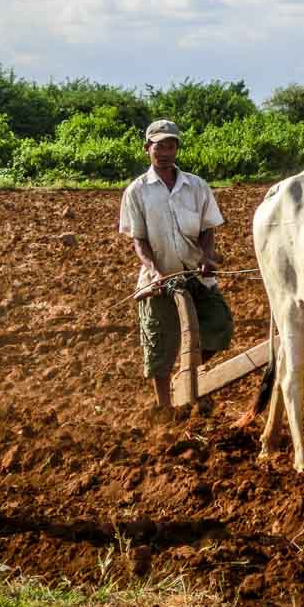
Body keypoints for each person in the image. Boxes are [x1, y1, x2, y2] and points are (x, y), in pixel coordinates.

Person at [118, 119, 234, 414]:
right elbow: (139, 239)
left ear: (176, 149)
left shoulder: (196, 185)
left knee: (219, 324)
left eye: (171, 146)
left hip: (196, 273)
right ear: (147, 149)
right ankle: (165, 407)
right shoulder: (137, 191)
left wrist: (207, 256)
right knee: (159, 344)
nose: (165, 152)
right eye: (159, 146)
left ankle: (187, 376)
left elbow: (208, 227)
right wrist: (155, 271)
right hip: (159, 278)